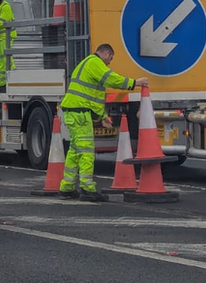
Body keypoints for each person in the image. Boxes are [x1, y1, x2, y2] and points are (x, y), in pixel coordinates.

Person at [59, 43, 148, 201]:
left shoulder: (89, 63)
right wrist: (136, 83)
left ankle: (67, 187)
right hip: (80, 113)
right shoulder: (95, 62)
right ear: (106, 53)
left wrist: (102, 117)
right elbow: (112, 80)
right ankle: (87, 188)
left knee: (75, 150)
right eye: (110, 58)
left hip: (75, 111)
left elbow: (94, 97)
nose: (109, 62)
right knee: (86, 150)